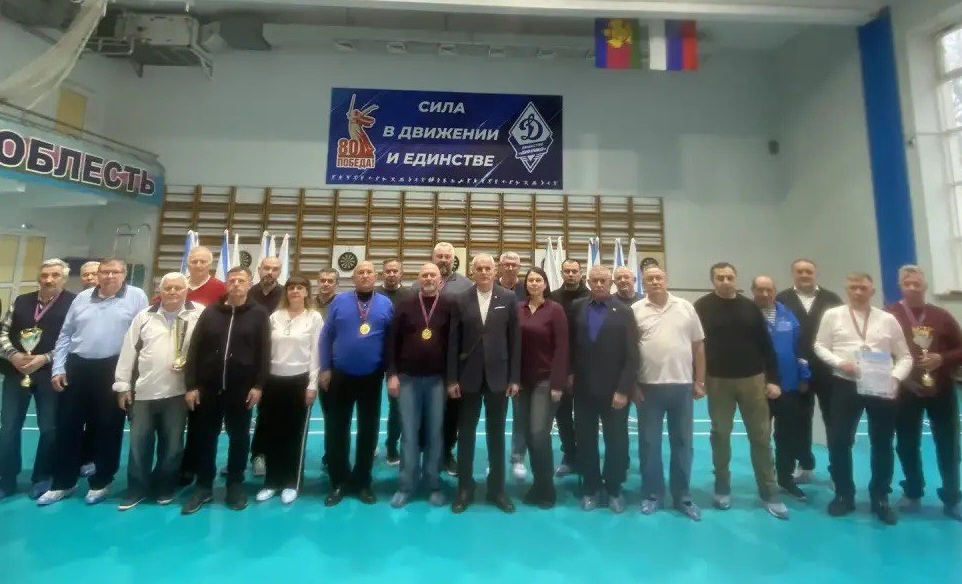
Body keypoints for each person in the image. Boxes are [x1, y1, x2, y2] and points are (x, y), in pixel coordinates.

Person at [39, 258, 149, 505]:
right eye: (105, 272)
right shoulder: (82, 298)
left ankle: (102, 481)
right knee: (67, 426)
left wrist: (130, 378)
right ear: (98, 275)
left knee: (108, 427)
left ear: (124, 274)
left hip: (113, 368)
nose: (109, 276)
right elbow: (65, 334)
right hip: (77, 366)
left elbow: (140, 338)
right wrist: (58, 368)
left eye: (115, 272)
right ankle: (63, 483)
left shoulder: (136, 296)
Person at [814, 272, 913, 525]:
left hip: (881, 386)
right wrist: (840, 363)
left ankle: (880, 497)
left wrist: (896, 378)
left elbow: (905, 356)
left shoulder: (887, 319)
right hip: (845, 384)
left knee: (882, 442)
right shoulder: (833, 315)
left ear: (872, 292)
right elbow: (819, 346)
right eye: (853, 287)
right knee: (839, 441)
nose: (858, 292)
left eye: (863, 288)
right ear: (847, 290)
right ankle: (843, 495)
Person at [694, 262, 788, 520]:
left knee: (761, 436)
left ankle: (769, 491)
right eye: (720, 277)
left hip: (753, 380)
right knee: (720, 434)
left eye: (729, 277)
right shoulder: (701, 307)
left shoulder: (750, 307)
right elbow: (695, 345)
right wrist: (697, 379)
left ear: (736, 279)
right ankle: (722, 486)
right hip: (718, 382)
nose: (725, 281)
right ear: (713, 280)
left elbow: (766, 346)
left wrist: (773, 380)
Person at [180, 266, 271, 515]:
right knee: (205, 437)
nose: (236, 284)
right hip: (207, 388)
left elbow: (264, 352)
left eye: (241, 280)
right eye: (232, 280)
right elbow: (194, 348)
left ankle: (235, 483)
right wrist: (191, 385)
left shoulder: (259, 314)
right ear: (226, 284)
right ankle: (203, 486)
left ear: (249, 284)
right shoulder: (210, 312)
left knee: (239, 437)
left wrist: (259, 385)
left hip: (241, 389)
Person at [113, 272, 201, 510]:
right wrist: (122, 385)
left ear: (186, 291)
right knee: (138, 445)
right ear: (160, 291)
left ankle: (165, 486)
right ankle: (137, 489)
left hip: (178, 392)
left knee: (172, 446)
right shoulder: (144, 317)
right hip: (144, 392)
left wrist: (198, 386)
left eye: (178, 288)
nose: (172, 292)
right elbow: (128, 351)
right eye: (168, 288)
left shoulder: (198, 314)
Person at [885, 265, 962, 520]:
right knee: (906, 443)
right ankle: (913, 491)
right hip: (906, 390)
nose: (912, 288)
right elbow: (881, 350)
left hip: (941, 389)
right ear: (900, 286)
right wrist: (901, 378)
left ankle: (952, 497)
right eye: (907, 284)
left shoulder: (941, 316)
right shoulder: (889, 315)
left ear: (925, 286)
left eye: (916, 284)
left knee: (948, 444)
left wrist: (942, 358)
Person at [447, 253, 521, 514]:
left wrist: (514, 378)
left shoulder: (508, 298)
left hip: (498, 377)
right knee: (466, 435)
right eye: (479, 268)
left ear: (495, 270)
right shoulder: (460, 299)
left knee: (496, 435)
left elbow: (515, 340)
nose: (484, 272)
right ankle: (465, 488)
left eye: (488, 268)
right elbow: (453, 342)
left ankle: (497, 490)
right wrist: (452, 379)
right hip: (467, 377)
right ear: (473, 271)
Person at [633, 265, 705, 520]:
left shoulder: (686, 307)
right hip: (648, 387)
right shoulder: (636, 310)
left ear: (666, 280)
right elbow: (629, 351)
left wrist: (699, 380)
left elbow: (698, 345)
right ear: (643, 283)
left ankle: (683, 496)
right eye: (650, 279)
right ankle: (653, 495)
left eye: (659, 277)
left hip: (682, 386)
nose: (655, 281)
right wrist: (632, 385)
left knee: (683, 442)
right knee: (649, 444)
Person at [0, 259, 75, 499]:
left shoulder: (74, 303)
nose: (49, 280)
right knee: (8, 427)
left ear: (64, 278)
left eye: (55, 275)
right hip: (16, 371)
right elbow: (2, 332)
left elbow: (74, 339)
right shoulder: (21, 300)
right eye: (44, 275)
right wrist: (13, 355)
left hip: (50, 373)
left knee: (49, 428)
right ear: (39, 277)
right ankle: (6, 478)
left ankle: (42, 477)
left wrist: (44, 358)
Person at [320, 261, 393, 506]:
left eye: (369, 272)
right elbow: (326, 336)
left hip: (371, 376)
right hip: (340, 375)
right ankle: (338, 481)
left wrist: (390, 371)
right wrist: (325, 368)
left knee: (368, 430)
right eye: (360, 272)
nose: (365, 276)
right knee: (337, 429)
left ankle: (362, 481)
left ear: (376, 276)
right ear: (353, 278)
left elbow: (391, 341)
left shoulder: (385, 303)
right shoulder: (339, 301)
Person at [569, 265, 638, 513]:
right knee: (586, 441)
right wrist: (569, 375)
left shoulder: (625, 311)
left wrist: (623, 389)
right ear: (588, 282)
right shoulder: (577, 307)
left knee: (616, 442)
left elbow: (632, 354)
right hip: (584, 390)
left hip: (614, 391)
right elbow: (570, 346)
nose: (599, 284)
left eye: (603, 280)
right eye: (594, 280)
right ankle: (591, 488)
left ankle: (614, 488)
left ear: (610, 283)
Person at [385, 263, 453, 508]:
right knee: (409, 433)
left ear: (440, 280)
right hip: (408, 379)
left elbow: (454, 344)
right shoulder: (405, 305)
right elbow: (391, 342)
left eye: (433, 275)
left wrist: (451, 379)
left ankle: (433, 484)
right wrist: (392, 374)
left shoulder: (449, 306)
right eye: (424, 275)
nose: (428, 279)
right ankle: (406, 485)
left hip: (437, 380)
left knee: (435, 433)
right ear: (418, 279)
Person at [255, 275, 323, 506]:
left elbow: (316, 353)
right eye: (291, 287)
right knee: (273, 432)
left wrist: (312, 385)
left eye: (300, 288)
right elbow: (265, 351)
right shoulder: (275, 317)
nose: (295, 291)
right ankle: (271, 482)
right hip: (273, 382)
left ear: (307, 292)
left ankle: (291, 483)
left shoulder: (314, 318)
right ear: (286, 292)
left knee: (295, 435)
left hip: (299, 382)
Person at [775, 258, 843, 484]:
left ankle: (838, 470)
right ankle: (804, 464)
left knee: (834, 420)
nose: (804, 275)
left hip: (828, 370)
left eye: (808, 271)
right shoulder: (782, 299)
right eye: (800, 271)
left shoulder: (832, 299)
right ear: (793, 274)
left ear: (815, 273)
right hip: (795, 372)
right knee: (799, 420)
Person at [413, 242, 473, 476]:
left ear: (453, 259)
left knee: (451, 412)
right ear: (433, 257)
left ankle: (447, 453)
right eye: (440, 256)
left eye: (448, 256)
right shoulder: (417, 285)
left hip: (454, 362)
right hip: (424, 361)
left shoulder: (466, 285)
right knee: (423, 410)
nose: (444, 260)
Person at [752, 275, 810, 501]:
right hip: (758, 387)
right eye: (760, 290)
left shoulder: (787, 314)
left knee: (787, 435)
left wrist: (804, 376)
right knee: (761, 437)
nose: (765, 294)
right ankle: (766, 481)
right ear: (753, 291)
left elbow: (800, 347)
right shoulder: (748, 314)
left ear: (775, 291)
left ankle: (785, 478)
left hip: (789, 385)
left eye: (769, 289)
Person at [175, 246, 227, 487]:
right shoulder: (176, 286)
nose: (197, 265)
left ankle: (192, 466)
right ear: (187, 263)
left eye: (202, 261)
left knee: (199, 421)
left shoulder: (220, 289)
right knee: (173, 422)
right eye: (193, 261)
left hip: (203, 366)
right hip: (171, 365)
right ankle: (172, 463)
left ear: (210, 264)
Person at [517, 267, 568, 509]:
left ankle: (547, 489)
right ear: (526, 284)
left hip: (545, 381)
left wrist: (557, 383)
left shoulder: (555, 310)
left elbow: (562, 348)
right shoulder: (518, 309)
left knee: (539, 434)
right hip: (522, 383)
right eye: (531, 280)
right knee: (529, 435)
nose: (534, 283)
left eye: (539, 280)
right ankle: (537, 484)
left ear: (545, 284)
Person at [549, 258, 589, 477]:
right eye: (567, 271)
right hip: (561, 366)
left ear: (581, 273)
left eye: (575, 271)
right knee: (562, 414)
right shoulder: (553, 298)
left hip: (586, 367)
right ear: (562, 273)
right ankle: (569, 454)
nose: (571, 275)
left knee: (584, 415)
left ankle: (585, 454)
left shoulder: (591, 297)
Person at [376, 258, 415, 466]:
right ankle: (371, 444)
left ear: (401, 273)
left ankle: (392, 446)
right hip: (374, 354)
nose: (391, 274)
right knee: (370, 405)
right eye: (388, 271)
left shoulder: (410, 295)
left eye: (395, 271)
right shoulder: (374, 294)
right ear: (382, 273)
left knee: (397, 406)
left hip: (400, 358)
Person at [248, 256, 284, 476]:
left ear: (280, 272)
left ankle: (262, 454)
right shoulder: (248, 293)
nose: (270, 272)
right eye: (266, 268)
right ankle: (239, 457)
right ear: (259, 269)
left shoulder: (285, 295)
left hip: (275, 361)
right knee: (242, 414)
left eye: (275, 269)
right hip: (247, 360)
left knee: (269, 411)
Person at [78, 260, 100, 477]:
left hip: (104, 368)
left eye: (94, 273)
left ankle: (90, 457)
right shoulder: (74, 300)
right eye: (86, 275)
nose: (90, 278)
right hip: (76, 367)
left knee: (96, 417)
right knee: (73, 417)